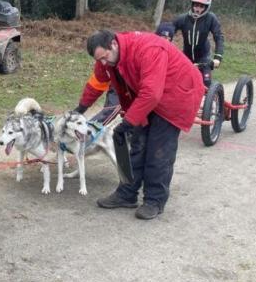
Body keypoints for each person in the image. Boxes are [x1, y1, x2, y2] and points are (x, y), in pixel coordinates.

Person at [75, 29, 205, 219]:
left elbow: (152, 93)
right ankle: (127, 194)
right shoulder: (108, 58)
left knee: (158, 151)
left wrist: (128, 122)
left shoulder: (148, 49)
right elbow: (97, 83)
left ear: (113, 44)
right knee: (136, 145)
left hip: (176, 95)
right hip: (147, 96)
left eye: (104, 58)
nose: (103, 63)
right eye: (99, 60)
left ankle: (154, 200)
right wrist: (80, 109)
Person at [170, 0, 224, 87]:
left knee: (206, 84)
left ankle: (212, 99)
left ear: (206, 8)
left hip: (204, 57)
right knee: (177, 83)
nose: (197, 9)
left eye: (201, 6)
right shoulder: (183, 19)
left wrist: (218, 58)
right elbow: (168, 31)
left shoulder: (210, 18)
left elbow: (218, 37)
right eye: (196, 5)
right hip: (186, 56)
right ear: (192, 5)